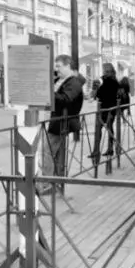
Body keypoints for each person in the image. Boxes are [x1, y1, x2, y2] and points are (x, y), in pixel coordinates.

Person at [41, 54, 84, 188]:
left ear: (67, 66)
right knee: (54, 152)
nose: (57, 69)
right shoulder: (62, 80)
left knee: (46, 151)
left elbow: (66, 99)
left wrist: (49, 93)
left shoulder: (74, 83)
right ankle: (55, 180)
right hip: (58, 121)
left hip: (63, 122)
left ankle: (47, 182)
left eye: (59, 66)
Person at [94, 63, 120, 157]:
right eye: (104, 71)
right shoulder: (108, 81)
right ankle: (106, 149)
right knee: (106, 128)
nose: (105, 73)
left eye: (107, 71)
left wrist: (98, 89)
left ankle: (101, 150)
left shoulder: (111, 82)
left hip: (108, 108)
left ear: (111, 72)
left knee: (103, 128)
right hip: (106, 108)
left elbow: (100, 94)